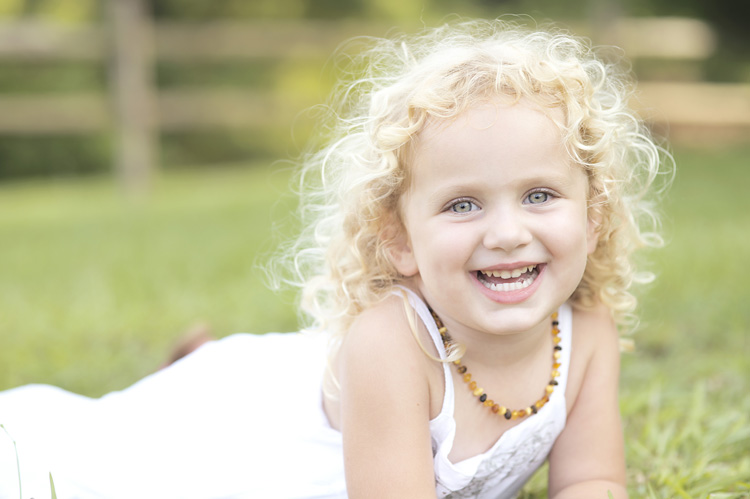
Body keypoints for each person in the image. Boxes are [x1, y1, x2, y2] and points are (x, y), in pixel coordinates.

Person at [0, 19, 668, 499]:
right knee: (63, 457)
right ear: (399, 239)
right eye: (463, 204)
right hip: (241, 442)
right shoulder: (392, 343)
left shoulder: (585, 332)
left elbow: (593, 478)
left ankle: (186, 369)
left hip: (290, 378)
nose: (506, 232)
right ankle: (181, 383)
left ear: (594, 214)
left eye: (541, 195)